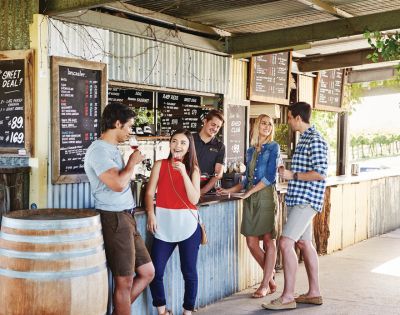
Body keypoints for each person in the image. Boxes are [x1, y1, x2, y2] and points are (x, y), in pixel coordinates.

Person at [84, 103, 155, 315]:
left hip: (126, 217)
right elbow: (117, 183)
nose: (130, 132)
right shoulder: (98, 150)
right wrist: (132, 162)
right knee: (123, 281)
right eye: (129, 127)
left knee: (147, 271)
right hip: (114, 219)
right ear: (117, 123)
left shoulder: (112, 149)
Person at [263, 101, 328, 310]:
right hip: (299, 198)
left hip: (306, 201)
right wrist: (287, 172)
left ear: (298, 118)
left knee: (285, 243)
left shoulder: (315, 140)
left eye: (290, 118)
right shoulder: (305, 139)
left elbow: (320, 173)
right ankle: (314, 292)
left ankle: (287, 297)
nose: (289, 121)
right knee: (304, 244)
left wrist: (293, 175)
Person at [217, 114, 279, 298]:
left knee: (269, 241)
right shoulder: (251, 150)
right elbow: (247, 180)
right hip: (251, 198)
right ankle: (271, 278)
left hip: (266, 196)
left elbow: (270, 177)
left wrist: (249, 192)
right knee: (251, 243)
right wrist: (230, 190)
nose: (267, 126)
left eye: (270, 124)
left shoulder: (273, 147)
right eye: (263, 123)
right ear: (256, 126)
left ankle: (264, 284)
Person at [145, 129, 201, 315]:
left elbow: (194, 199)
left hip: (188, 225)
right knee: (155, 271)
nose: (178, 146)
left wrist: (184, 173)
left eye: (183, 142)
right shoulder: (159, 165)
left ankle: (187, 311)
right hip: (164, 225)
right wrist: (151, 214)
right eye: (174, 141)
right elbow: (149, 192)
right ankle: (163, 311)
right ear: (169, 144)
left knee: (189, 272)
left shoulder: (193, 169)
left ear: (189, 147)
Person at [193, 109, 225, 195]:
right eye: (213, 124)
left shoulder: (220, 146)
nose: (215, 129)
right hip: (185, 189)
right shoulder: (190, 140)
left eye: (218, 127)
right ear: (205, 121)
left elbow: (218, 173)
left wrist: (201, 192)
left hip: (207, 193)